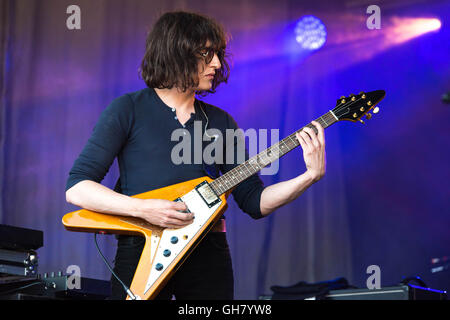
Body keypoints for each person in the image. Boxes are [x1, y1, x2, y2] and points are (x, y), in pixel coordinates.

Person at [65, 11, 326, 300]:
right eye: (205, 54)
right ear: (176, 53)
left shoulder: (221, 122)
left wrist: (308, 177)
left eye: (217, 54)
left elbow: (254, 202)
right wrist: (144, 209)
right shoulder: (128, 109)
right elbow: (78, 188)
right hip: (143, 248)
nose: (216, 63)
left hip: (209, 253)